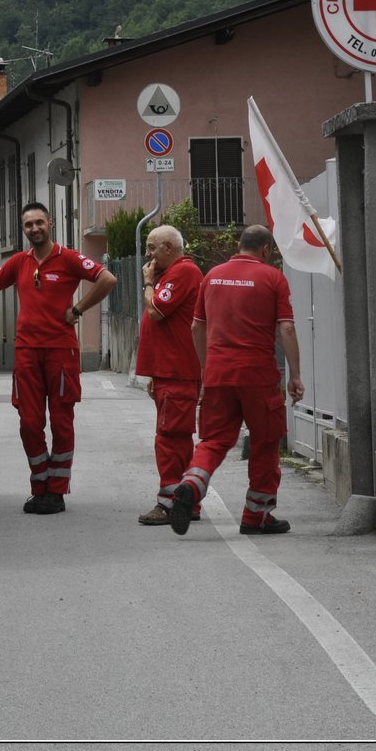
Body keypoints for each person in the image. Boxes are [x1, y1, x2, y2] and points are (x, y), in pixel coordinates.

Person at [0, 201, 116, 514]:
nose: (34, 228)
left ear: (50, 224)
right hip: (26, 352)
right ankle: (40, 485)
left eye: (39, 222)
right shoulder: (19, 262)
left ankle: (57, 491)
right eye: (28, 225)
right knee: (29, 422)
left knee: (62, 422)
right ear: (24, 229)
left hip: (61, 351)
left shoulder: (69, 258)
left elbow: (107, 279)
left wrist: (77, 310)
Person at [167, 224, 304, 537]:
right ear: (266, 250)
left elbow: (195, 329)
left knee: (213, 440)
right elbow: (286, 329)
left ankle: (191, 483)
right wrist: (295, 375)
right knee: (266, 441)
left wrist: (206, 370)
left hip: (218, 374)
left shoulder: (211, 276)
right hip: (258, 375)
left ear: (240, 245)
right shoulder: (273, 278)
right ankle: (256, 516)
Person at [133, 225, 204, 526]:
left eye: (152, 248)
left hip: (177, 373)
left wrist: (148, 283)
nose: (147, 255)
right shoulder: (176, 274)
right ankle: (186, 502)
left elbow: (157, 311)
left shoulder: (182, 272)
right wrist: (154, 372)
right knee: (175, 438)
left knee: (169, 439)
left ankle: (170, 504)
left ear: (169, 248)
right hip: (168, 372)